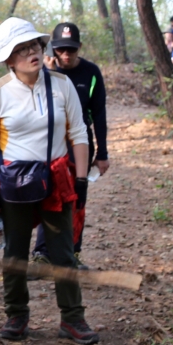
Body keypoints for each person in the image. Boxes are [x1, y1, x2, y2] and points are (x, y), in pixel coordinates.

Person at [0, 17, 96, 345]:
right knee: (15, 253)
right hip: (14, 182)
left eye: (35, 46)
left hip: (57, 178)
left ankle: (72, 318)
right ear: (9, 58)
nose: (32, 53)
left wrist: (82, 179)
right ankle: (16, 315)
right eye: (23, 49)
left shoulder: (61, 85)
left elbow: (79, 132)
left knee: (63, 252)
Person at [43, 22, 108, 263]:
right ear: (52, 49)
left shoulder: (91, 72)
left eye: (71, 49)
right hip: (50, 142)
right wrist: (48, 73)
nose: (66, 55)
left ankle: (73, 252)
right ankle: (42, 252)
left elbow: (99, 114)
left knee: (77, 196)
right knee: (49, 194)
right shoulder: (42, 72)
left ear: (79, 47)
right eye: (60, 49)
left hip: (80, 142)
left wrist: (103, 153)